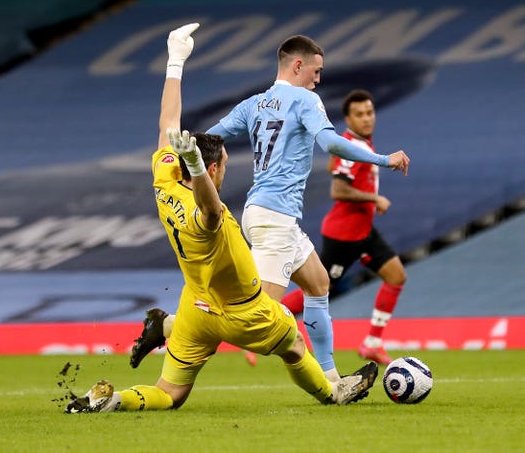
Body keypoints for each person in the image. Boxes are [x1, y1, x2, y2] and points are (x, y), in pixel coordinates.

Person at [65, 23, 378, 414]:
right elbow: (211, 207)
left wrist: (175, 62)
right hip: (241, 311)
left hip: (197, 308)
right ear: (210, 173)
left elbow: (168, 121)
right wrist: (198, 163)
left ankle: (113, 399)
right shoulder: (207, 217)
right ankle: (333, 392)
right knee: (294, 345)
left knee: (170, 394)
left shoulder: (164, 181)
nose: (226, 170)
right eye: (224, 166)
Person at [203, 35, 410, 380]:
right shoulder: (305, 99)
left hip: (267, 214)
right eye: (316, 71)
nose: (318, 79)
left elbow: (207, 139)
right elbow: (330, 142)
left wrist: (181, 159)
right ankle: (174, 328)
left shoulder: (254, 103)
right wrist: (383, 159)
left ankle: (331, 379)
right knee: (259, 317)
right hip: (275, 218)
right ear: (298, 66)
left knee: (318, 285)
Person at [281, 89, 407, 365]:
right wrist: (374, 198)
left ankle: (373, 342)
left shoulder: (357, 144)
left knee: (396, 276)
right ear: (348, 118)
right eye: (359, 114)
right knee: (317, 291)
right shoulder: (353, 146)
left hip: (363, 231)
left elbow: (336, 168)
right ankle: (267, 315)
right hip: (344, 235)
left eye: (370, 112)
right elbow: (338, 189)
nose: (367, 119)